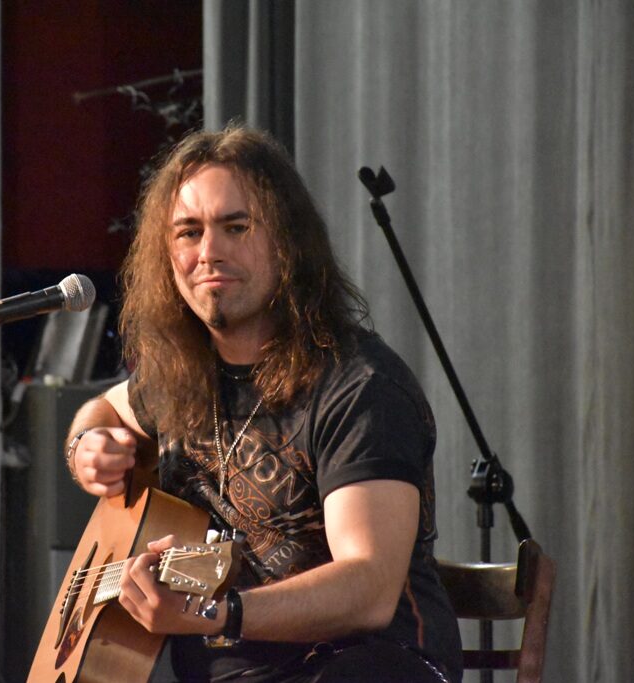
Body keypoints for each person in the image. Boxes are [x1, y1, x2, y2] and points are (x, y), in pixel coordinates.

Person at [63, 125, 462, 682]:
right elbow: (104, 410)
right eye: (188, 232)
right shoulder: (182, 375)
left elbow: (369, 587)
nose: (209, 253)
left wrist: (217, 613)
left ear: (287, 241)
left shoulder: (360, 387)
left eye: (236, 227)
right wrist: (85, 445)